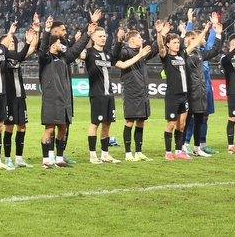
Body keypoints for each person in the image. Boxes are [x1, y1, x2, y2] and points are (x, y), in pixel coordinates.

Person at [38, 16, 91, 169]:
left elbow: (76, 49)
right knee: (49, 129)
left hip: (65, 99)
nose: (63, 44)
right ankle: (46, 160)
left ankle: (59, 159)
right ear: (53, 44)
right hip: (51, 98)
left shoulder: (64, 58)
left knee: (64, 128)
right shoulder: (45, 58)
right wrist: (46, 30)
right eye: (59, 42)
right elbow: (42, 48)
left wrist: (87, 33)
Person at [154, 19, 201, 160]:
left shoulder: (182, 55)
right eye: (174, 42)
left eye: (177, 42)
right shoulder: (166, 57)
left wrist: (205, 30)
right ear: (169, 44)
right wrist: (159, 33)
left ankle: (179, 151)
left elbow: (194, 43)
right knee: (171, 124)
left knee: (181, 124)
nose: (177, 44)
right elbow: (160, 47)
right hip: (173, 96)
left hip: (184, 95)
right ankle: (168, 152)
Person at [114, 29, 156, 161]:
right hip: (131, 92)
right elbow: (116, 56)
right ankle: (128, 153)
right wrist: (119, 41)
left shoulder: (142, 52)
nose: (141, 39)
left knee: (141, 122)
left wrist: (160, 34)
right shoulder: (126, 51)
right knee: (129, 121)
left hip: (143, 92)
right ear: (132, 40)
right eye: (139, 38)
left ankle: (139, 152)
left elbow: (155, 49)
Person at [83, 12, 118, 164]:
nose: (103, 38)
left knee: (108, 123)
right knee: (95, 124)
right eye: (100, 36)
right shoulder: (89, 53)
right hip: (97, 94)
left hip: (109, 94)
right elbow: (76, 53)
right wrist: (89, 27)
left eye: (104, 36)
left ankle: (105, 154)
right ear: (93, 38)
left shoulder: (107, 54)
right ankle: (92, 155)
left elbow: (118, 62)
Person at [2, 21, 39, 168]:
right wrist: (10, 33)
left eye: (13, 42)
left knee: (22, 127)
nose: (12, 43)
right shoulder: (2, 57)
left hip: (20, 97)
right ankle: (7, 159)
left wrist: (35, 33)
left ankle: (18, 158)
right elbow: (5, 44)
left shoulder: (17, 57)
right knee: (9, 127)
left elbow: (33, 48)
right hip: (9, 98)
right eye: (10, 42)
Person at [183, 18, 218, 157]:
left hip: (206, 88)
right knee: (192, 116)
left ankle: (202, 144)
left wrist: (214, 27)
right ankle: (186, 143)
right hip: (194, 87)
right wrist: (190, 22)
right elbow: (186, 38)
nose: (203, 40)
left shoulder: (203, 52)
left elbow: (212, 43)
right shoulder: (190, 53)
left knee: (205, 116)